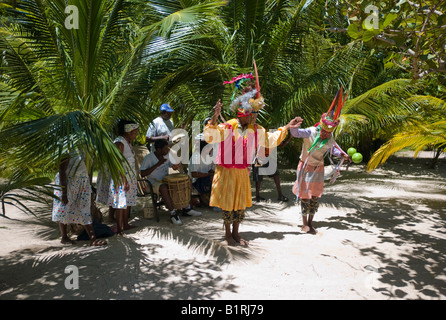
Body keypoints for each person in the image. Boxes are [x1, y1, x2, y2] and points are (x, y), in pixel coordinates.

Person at [203, 72, 302, 246]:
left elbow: (272, 139)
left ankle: (236, 233)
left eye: (254, 113)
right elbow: (210, 136)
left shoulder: (256, 129)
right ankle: (228, 234)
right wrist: (214, 117)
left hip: (241, 172)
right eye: (252, 114)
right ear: (242, 114)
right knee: (228, 204)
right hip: (226, 171)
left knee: (239, 204)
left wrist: (287, 126)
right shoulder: (228, 125)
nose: (254, 116)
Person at [291, 88, 351, 234]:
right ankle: (305, 223)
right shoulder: (311, 131)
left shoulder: (329, 138)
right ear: (321, 127)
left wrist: (343, 155)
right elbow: (296, 133)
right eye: (324, 131)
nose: (325, 134)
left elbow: (333, 149)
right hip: (305, 166)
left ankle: (311, 222)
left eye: (328, 132)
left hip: (318, 167)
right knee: (305, 195)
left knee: (315, 195)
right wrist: (293, 126)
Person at [140, 139, 202, 225]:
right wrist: (158, 164)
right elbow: (143, 174)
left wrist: (176, 166)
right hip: (152, 183)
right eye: (165, 149)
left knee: (185, 181)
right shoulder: (149, 158)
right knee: (163, 187)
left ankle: (187, 208)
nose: (167, 150)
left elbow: (173, 167)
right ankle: (173, 213)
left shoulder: (167, 155)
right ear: (158, 150)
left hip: (166, 180)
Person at [52, 152, 107, 246]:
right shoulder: (67, 149)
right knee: (64, 208)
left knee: (84, 209)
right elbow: (62, 171)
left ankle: (93, 239)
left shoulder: (79, 147)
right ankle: (64, 237)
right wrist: (64, 193)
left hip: (81, 184)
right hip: (69, 184)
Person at [108, 120, 139, 235]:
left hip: (129, 177)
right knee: (120, 203)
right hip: (122, 177)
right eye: (135, 131)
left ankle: (125, 224)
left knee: (127, 202)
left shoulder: (128, 142)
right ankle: (120, 227)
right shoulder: (119, 142)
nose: (136, 134)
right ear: (128, 131)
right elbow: (118, 163)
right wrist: (124, 180)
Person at [252, 134, 292, 202]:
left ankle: (280, 195)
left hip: (267, 158)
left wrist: (290, 137)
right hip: (258, 158)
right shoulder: (263, 138)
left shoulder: (274, 139)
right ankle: (257, 196)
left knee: (276, 175)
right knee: (258, 178)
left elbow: (282, 145)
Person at [189, 138, 216, 207]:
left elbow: (212, 169)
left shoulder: (209, 157)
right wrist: (209, 174)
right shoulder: (196, 158)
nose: (212, 149)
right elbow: (194, 174)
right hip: (196, 181)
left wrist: (212, 172)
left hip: (206, 178)